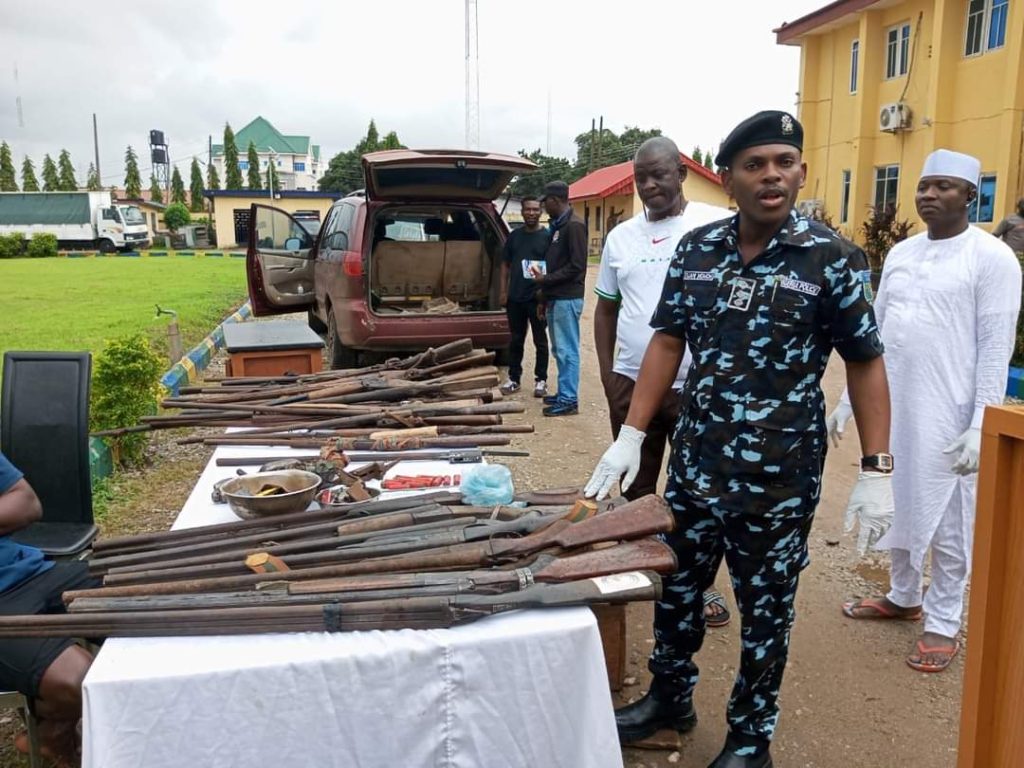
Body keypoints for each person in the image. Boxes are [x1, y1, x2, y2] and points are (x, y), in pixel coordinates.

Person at [585, 111, 894, 768]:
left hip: (778, 482)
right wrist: (631, 437)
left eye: (784, 161)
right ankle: (670, 700)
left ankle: (751, 740)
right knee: (678, 590)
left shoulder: (831, 260)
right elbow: (668, 340)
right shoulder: (697, 252)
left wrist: (878, 470)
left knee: (765, 611)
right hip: (697, 466)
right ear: (729, 179)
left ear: (801, 171)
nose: (772, 175)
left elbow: (866, 361)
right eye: (756, 165)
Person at [832, 149, 1022, 673]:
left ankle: (943, 622)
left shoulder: (992, 259)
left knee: (952, 520)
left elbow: (995, 348)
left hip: (953, 413)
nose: (929, 195)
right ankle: (903, 595)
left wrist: (980, 424)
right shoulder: (902, 254)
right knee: (897, 496)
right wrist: (850, 400)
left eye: (943, 186)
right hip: (896, 407)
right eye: (923, 186)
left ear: (970, 195)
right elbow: (875, 335)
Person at [594, 136, 734, 628]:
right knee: (638, 484)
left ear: (681, 173)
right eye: (641, 177)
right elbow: (606, 309)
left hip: (698, 386)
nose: (650, 185)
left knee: (698, 491)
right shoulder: (620, 238)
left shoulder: (713, 227)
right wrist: (610, 372)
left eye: (659, 174)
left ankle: (701, 587)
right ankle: (643, 570)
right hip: (634, 384)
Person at [0, 450, 99, 765]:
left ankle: (52, 732)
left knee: (149, 607)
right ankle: (54, 731)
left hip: (31, 572)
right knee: (80, 680)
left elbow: (25, 501)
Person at [531, 180, 587, 416]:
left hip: (567, 297)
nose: (544, 207)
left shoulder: (574, 226)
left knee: (567, 350)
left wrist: (546, 280)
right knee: (559, 350)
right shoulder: (559, 227)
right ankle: (564, 392)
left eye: (546, 203)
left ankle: (569, 399)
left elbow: (576, 267)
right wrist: (544, 294)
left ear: (555, 200)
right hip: (556, 297)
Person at [499, 196, 550, 397]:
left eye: (535, 210)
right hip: (516, 298)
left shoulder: (547, 237)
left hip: (537, 298)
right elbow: (505, 264)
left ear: (541, 212)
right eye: (527, 209)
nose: (531, 213)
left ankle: (541, 380)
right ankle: (514, 379)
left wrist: (544, 297)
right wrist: (503, 291)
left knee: (540, 341)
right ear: (522, 211)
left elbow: (552, 269)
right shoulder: (514, 237)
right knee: (516, 340)